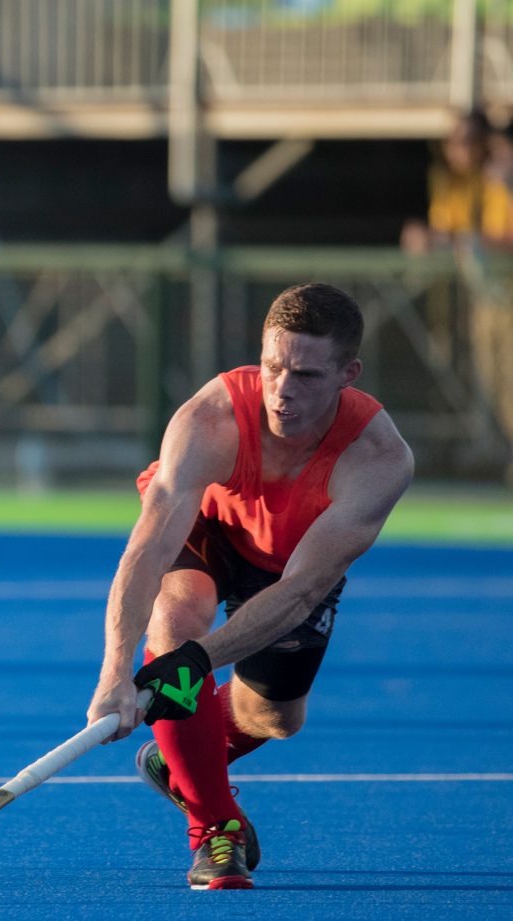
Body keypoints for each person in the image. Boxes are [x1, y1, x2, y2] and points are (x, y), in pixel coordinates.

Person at [85, 283, 413, 889]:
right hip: (207, 526)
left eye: (308, 376)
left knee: (276, 718)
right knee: (177, 623)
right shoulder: (209, 419)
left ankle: (180, 756)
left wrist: (193, 664)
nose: (283, 391)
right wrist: (115, 670)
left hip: (290, 566)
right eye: (273, 367)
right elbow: (151, 546)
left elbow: (299, 593)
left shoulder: (378, 458)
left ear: (349, 373)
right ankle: (215, 830)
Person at [401, 110, 513, 484]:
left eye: (466, 142)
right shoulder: (451, 180)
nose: (457, 150)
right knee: (489, 376)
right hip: (483, 294)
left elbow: (502, 241)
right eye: (453, 142)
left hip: (506, 290)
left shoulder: (501, 176)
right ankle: (494, 450)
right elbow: (443, 232)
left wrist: (449, 240)